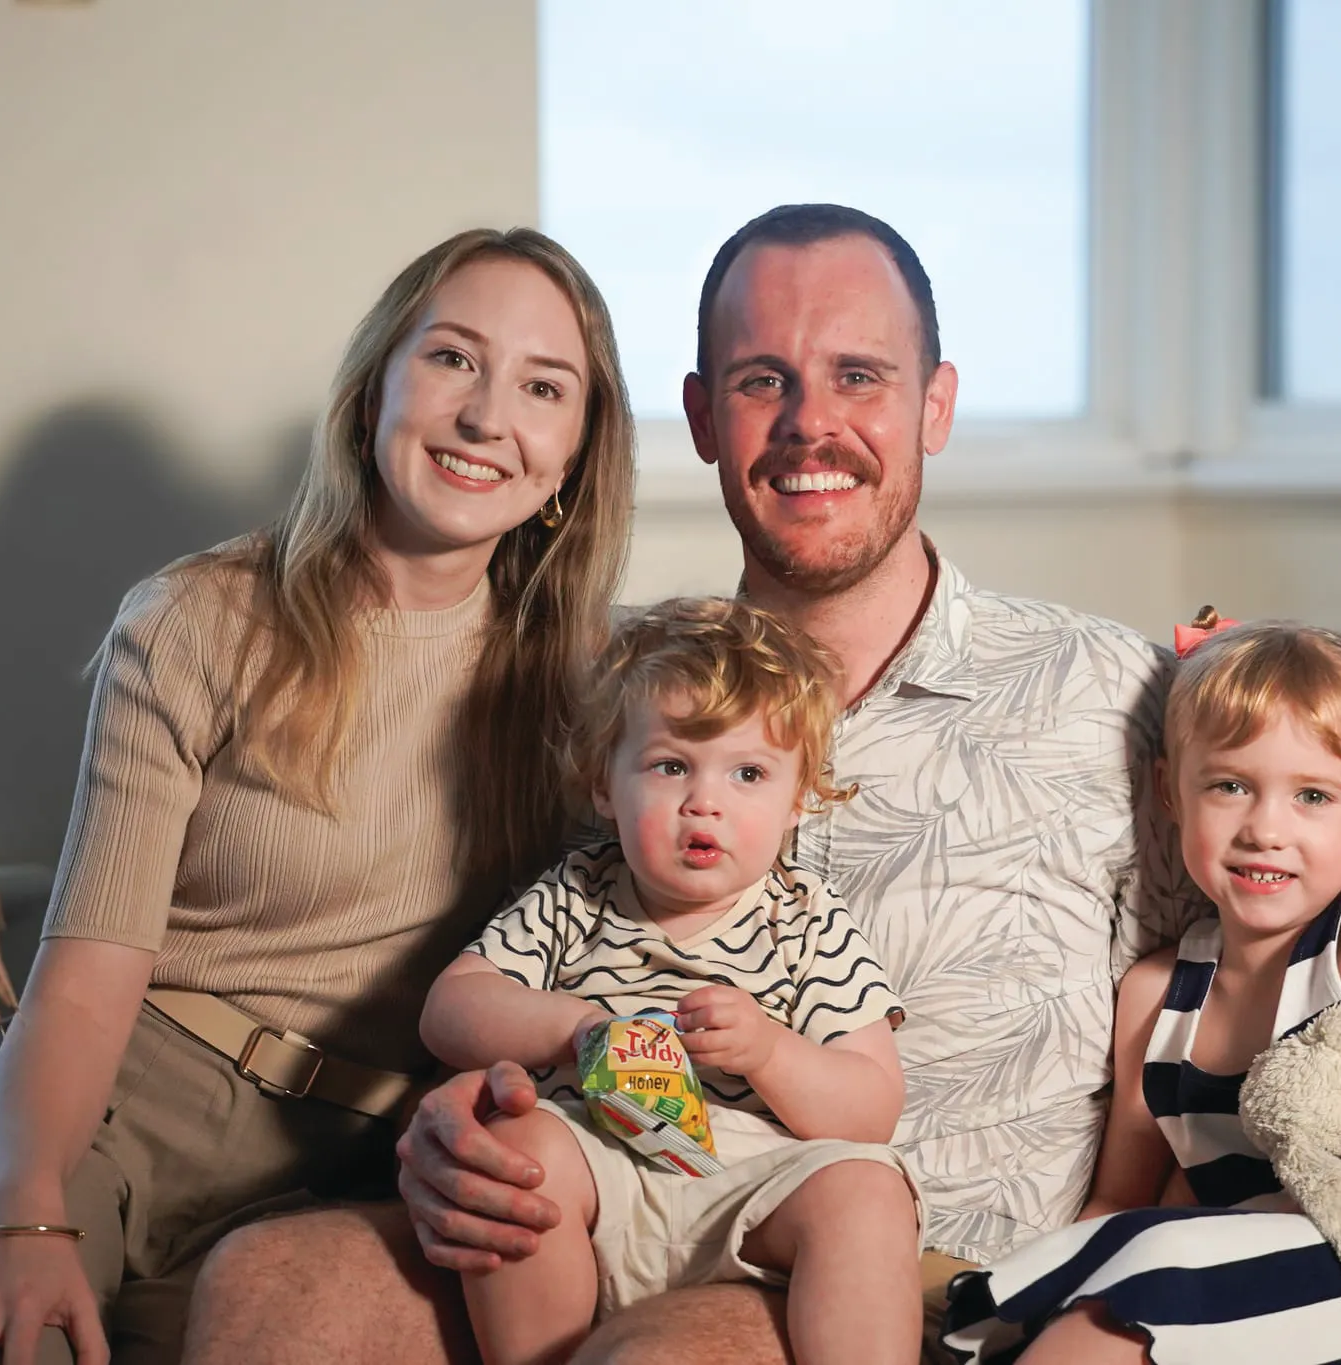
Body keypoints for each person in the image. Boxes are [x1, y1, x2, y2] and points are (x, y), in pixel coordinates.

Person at [181, 203, 1203, 1364]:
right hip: (596, 1190)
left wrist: (1134, 1283)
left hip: (907, 1274)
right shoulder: (596, 695)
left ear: (935, 404)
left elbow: (1272, 987)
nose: (810, 425)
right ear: (704, 418)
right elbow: (484, 981)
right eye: (763, 382)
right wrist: (444, 1125)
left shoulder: (1115, 695)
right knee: (270, 1278)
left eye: (858, 376)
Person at [0, 226, 636, 1365]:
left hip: (361, 1162)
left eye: (543, 386)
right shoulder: (200, 620)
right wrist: (25, 1202)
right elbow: (88, 979)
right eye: (451, 359)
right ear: (373, 386)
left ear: (573, 458)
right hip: (110, 1107)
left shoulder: (592, 687)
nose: (488, 416)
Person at [989, 606, 1341, 1362]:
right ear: (1170, 792)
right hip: (1238, 1288)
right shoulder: (1155, 995)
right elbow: (1119, 1200)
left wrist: (1222, 1244)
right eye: (1230, 785)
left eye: (1314, 796)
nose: (1266, 827)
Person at [421, 595, 921, 1365]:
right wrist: (575, 1028)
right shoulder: (575, 892)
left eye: (749, 772)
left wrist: (768, 1052)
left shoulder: (804, 918)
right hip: (597, 1157)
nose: (705, 801)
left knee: (868, 1192)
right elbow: (451, 1009)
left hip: (753, 1180)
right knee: (520, 1152)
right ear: (602, 786)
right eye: (670, 765)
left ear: (798, 802)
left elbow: (871, 1106)